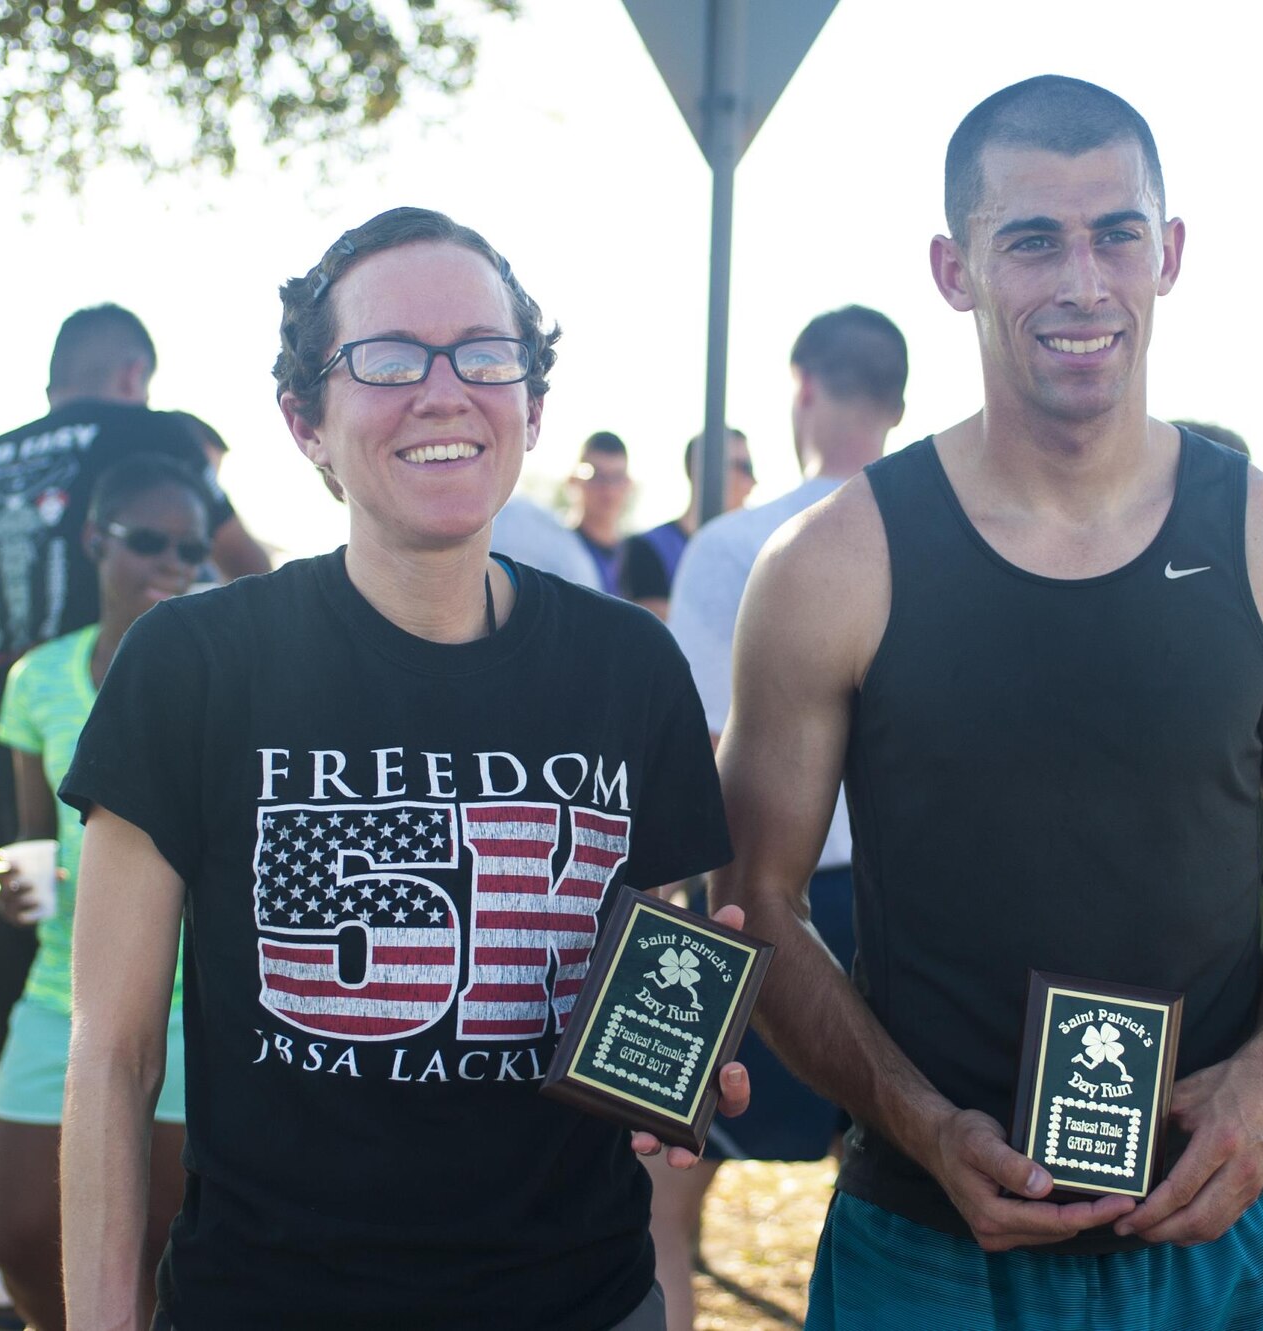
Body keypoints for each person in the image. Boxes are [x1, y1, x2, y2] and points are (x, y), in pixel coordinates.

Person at [710, 76, 1263, 1328]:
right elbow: (759, 906)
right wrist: (919, 1124)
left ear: (1167, 253)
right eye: (1029, 239)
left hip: (1208, 1242)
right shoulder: (827, 565)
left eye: (1114, 232)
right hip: (922, 1246)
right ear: (954, 268)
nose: (1081, 280)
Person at [57, 207, 748, 1331]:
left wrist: (676, 1069)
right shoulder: (192, 664)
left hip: (579, 1300)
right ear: (305, 421)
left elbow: (662, 957)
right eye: (384, 359)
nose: (443, 390)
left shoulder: (630, 666)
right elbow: (113, 1049)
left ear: (531, 400)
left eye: (486, 353)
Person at [0, 303, 269, 1331]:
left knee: (61, 993)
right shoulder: (151, 439)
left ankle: (20, 1281)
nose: (175, 552)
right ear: (132, 374)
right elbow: (250, 565)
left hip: (22, 730)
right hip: (63, 719)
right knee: (64, 976)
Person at [652, 304, 907, 1331]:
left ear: (801, 385)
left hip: (755, 902)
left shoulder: (734, 542)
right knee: (896, 1193)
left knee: (665, 1192)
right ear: (896, 403)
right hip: (909, 910)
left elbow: (702, 749)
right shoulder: (938, 528)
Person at [0, 455, 210, 1330]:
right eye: (148, 540)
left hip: (200, 1003)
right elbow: (33, 837)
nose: (172, 561)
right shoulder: (37, 679)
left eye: (189, 546)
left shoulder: (222, 673)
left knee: (162, 1241)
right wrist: (13, 882)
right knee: (22, 1229)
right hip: (62, 997)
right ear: (93, 541)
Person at [620, 429, 756, 620]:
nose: (753, 480)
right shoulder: (648, 548)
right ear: (704, 470)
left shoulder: (750, 553)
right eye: (744, 467)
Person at [570, 430, 633, 593]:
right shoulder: (561, 550)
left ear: (628, 484)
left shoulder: (640, 556)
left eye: (617, 477)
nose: (607, 489)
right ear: (574, 480)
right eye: (595, 475)